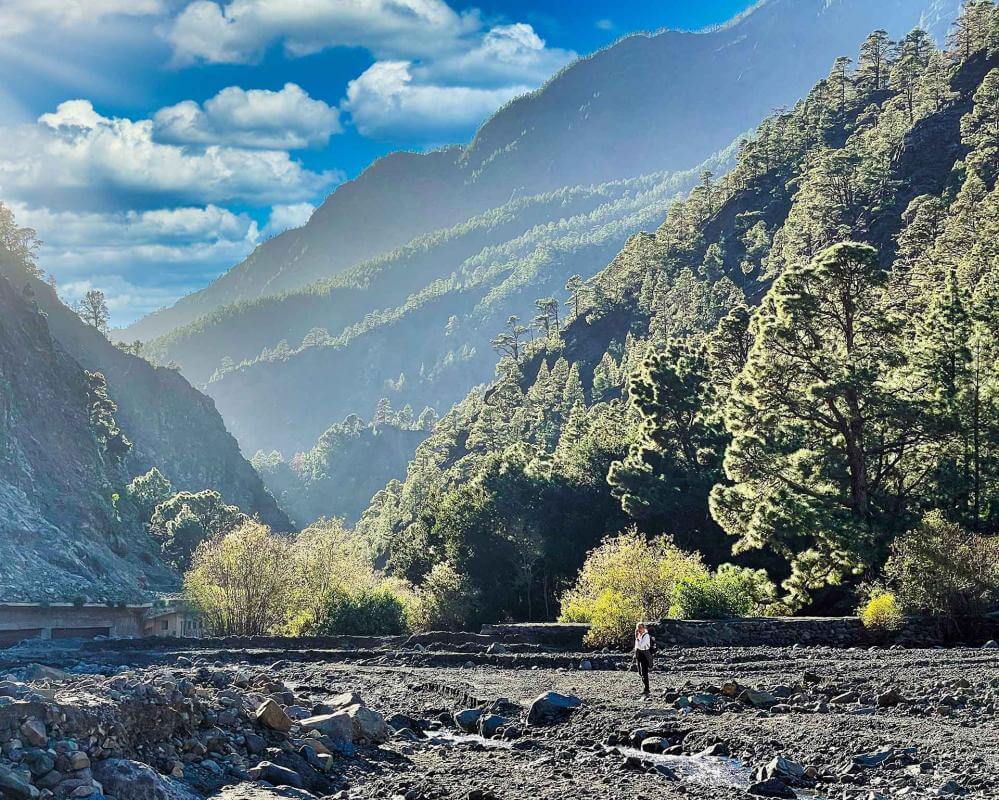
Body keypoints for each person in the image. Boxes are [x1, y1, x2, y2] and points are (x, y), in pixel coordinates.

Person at [634, 622, 653, 696]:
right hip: (639, 654)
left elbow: (641, 645)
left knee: (644, 672)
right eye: (638, 627)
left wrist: (637, 639)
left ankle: (646, 689)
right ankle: (646, 688)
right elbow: (636, 646)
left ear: (644, 628)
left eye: (641, 627)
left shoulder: (646, 636)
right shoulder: (638, 635)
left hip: (644, 654)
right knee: (640, 672)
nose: (639, 629)